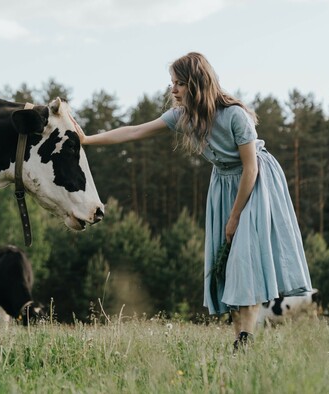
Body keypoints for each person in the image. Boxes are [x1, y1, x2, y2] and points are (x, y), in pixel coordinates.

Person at [80, 52, 312, 351]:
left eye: (179, 83)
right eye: (172, 83)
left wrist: (235, 216)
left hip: (253, 184)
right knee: (226, 263)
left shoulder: (235, 115)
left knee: (245, 260)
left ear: (197, 83)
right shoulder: (183, 117)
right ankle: (240, 341)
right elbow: (135, 131)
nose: (173, 90)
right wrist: (86, 140)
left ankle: (246, 339)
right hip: (223, 184)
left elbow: (251, 168)